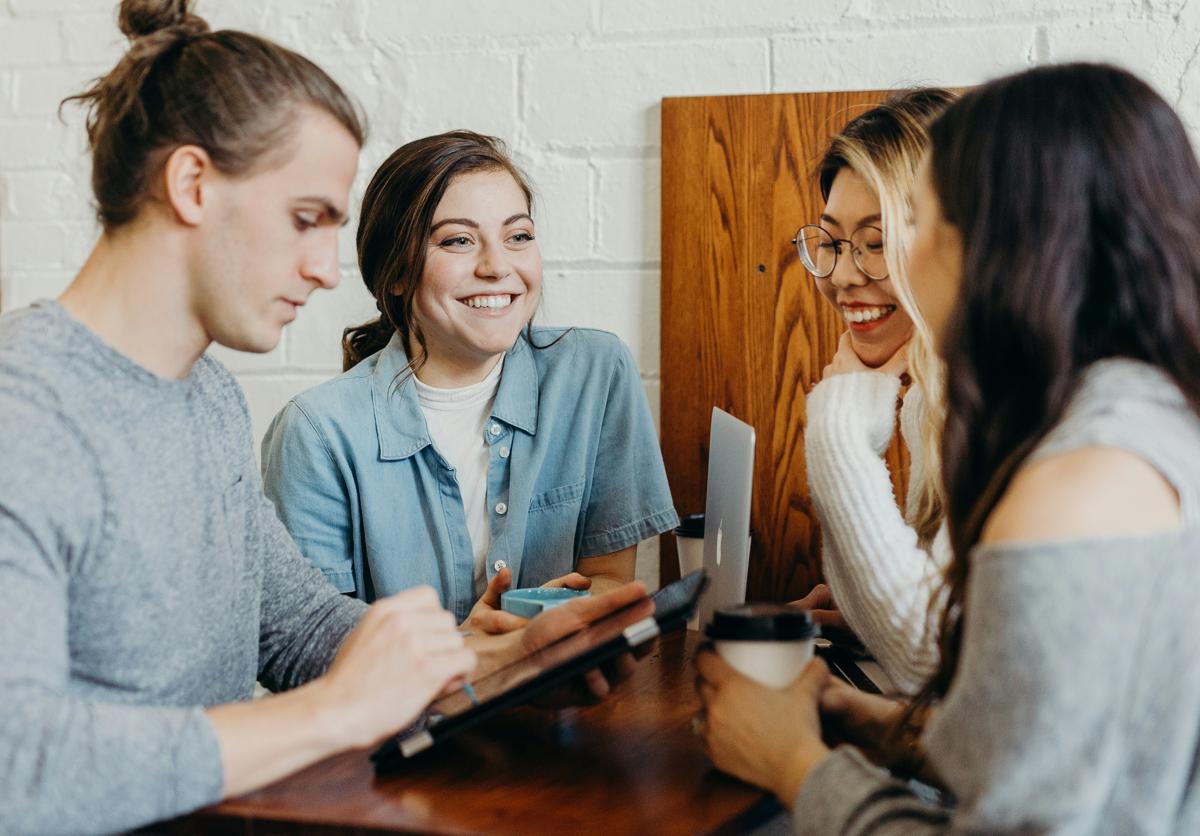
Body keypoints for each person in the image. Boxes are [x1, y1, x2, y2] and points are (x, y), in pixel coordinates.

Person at [0, 3, 646, 833]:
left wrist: (489, 661)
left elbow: (299, 625)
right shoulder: (26, 412)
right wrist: (338, 713)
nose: (321, 267)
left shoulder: (205, 395)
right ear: (192, 185)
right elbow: (17, 767)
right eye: (306, 219)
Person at [697, 62, 1200, 833]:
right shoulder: (1137, 416)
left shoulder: (1077, 481)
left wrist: (795, 764)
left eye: (917, 221)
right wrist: (876, 725)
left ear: (1005, 241)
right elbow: (1056, 755)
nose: (868, 269)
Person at [261, 130, 678, 631]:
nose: (497, 266)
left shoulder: (595, 373)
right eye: (458, 240)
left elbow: (610, 580)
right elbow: (316, 649)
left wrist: (546, 624)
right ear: (395, 272)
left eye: (518, 236)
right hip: (409, 710)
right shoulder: (316, 434)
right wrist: (471, 650)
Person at [793, 89, 956, 694]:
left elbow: (928, 661)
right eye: (832, 242)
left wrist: (838, 427)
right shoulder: (931, 398)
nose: (841, 275)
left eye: (877, 241)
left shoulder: (1000, 402)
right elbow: (942, 636)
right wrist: (865, 609)